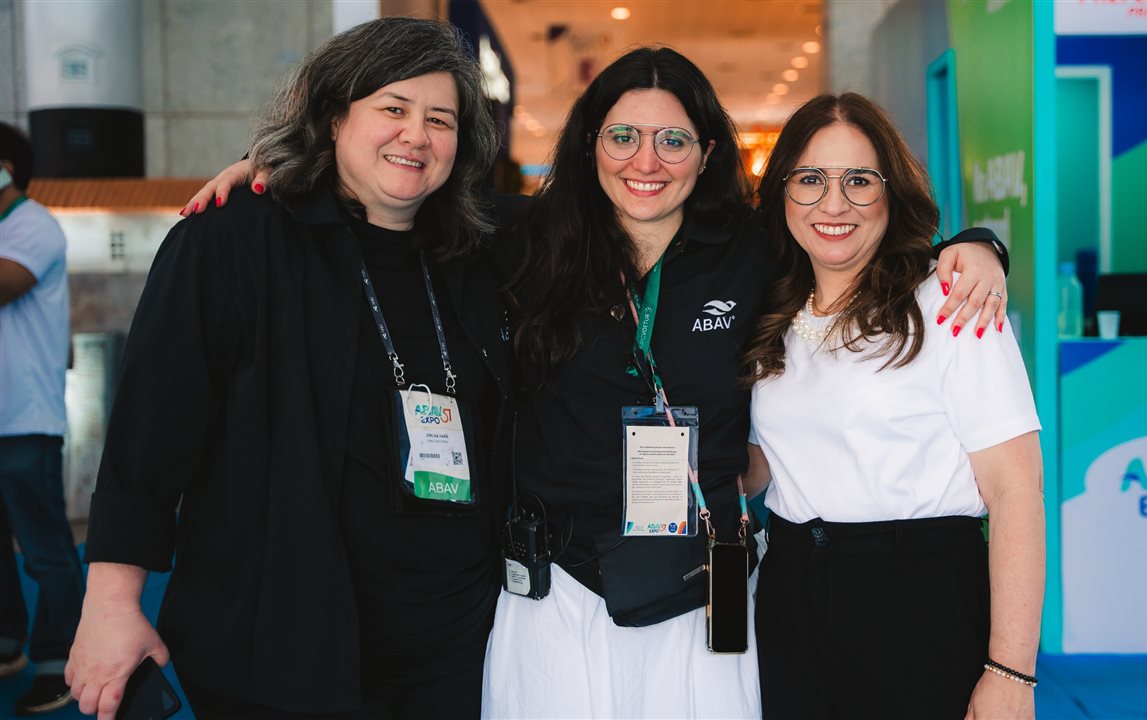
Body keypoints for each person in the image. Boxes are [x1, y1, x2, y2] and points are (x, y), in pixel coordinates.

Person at [185, 48, 1010, 719]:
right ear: (589, 145)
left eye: (673, 140)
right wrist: (281, 167)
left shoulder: (751, 249)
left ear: (709, 153)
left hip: (702, 593)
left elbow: (845, 220)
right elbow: (398, 183)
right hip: (555, 593)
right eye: (622, 137)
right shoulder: (521, 241)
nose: (645, 162)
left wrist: (975, 246)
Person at [64, 18, 509, 719]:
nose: (416, 136)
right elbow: (151, 432)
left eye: (440, 119)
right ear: (334, 117)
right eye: (392, 109)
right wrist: (111, 602)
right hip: (280, 641)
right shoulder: (234, 239)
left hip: (456, 645)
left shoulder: (486, 252)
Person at [744, 93, 1044, 719]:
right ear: (782, 194)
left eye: (859, 180)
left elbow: (1016, 490)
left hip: (919, 603)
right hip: (789, 599)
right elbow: (778, 459)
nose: (834, 204)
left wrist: (1012, 670)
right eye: (810, 180)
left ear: (893, 193)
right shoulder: (772, 310)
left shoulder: (951, 303)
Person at [0, 122, 83, 716]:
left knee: (46, 548)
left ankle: (61, 663)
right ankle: (8, 643)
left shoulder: (34, 225)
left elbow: (5, 284)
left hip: (26, 419)